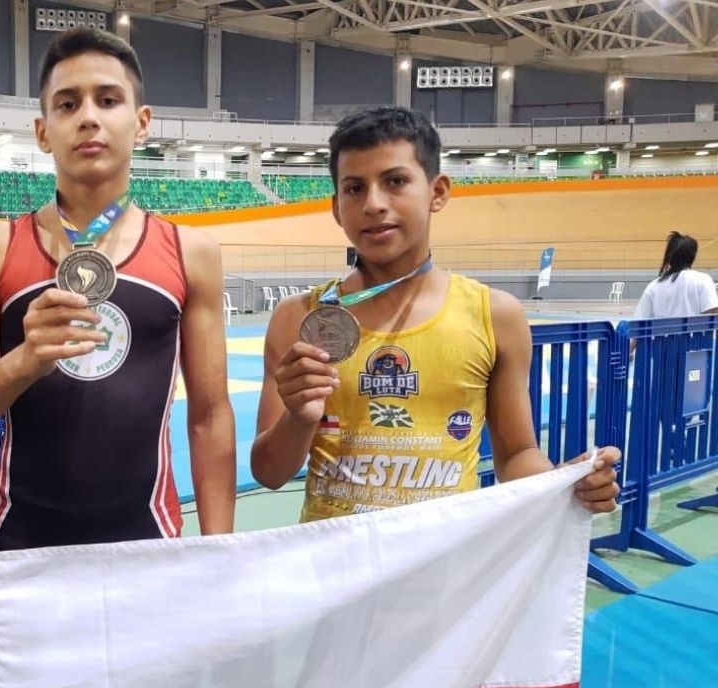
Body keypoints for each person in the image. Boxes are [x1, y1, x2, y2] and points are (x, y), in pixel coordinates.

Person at [0, 27, 236, 550]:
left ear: (142, 123)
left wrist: (219, 551)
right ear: (42, 131)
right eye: (68, 104)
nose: (89, 117)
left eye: (109, 100)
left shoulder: (193, 253)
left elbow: (210, 416)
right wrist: (23, 362)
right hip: (20, 543)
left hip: (149, 537)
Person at [250, 106, 620, 522]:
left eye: (395, 182)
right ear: (337, 207)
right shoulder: (298, 318)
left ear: (437, 192)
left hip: (443, 567)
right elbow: (268, 472)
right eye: (355, 188)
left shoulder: (495, 315)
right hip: (336, 573)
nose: (373, 204)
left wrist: (561, 481)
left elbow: (516, 455)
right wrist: (300, 419)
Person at [633, 231, 718, 318]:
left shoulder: (653, 287)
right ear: (693, 257)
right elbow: (712, 316)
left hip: (661, 331)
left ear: (669, 257)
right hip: (694, 331)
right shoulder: (703, 280)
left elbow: (639, 320)